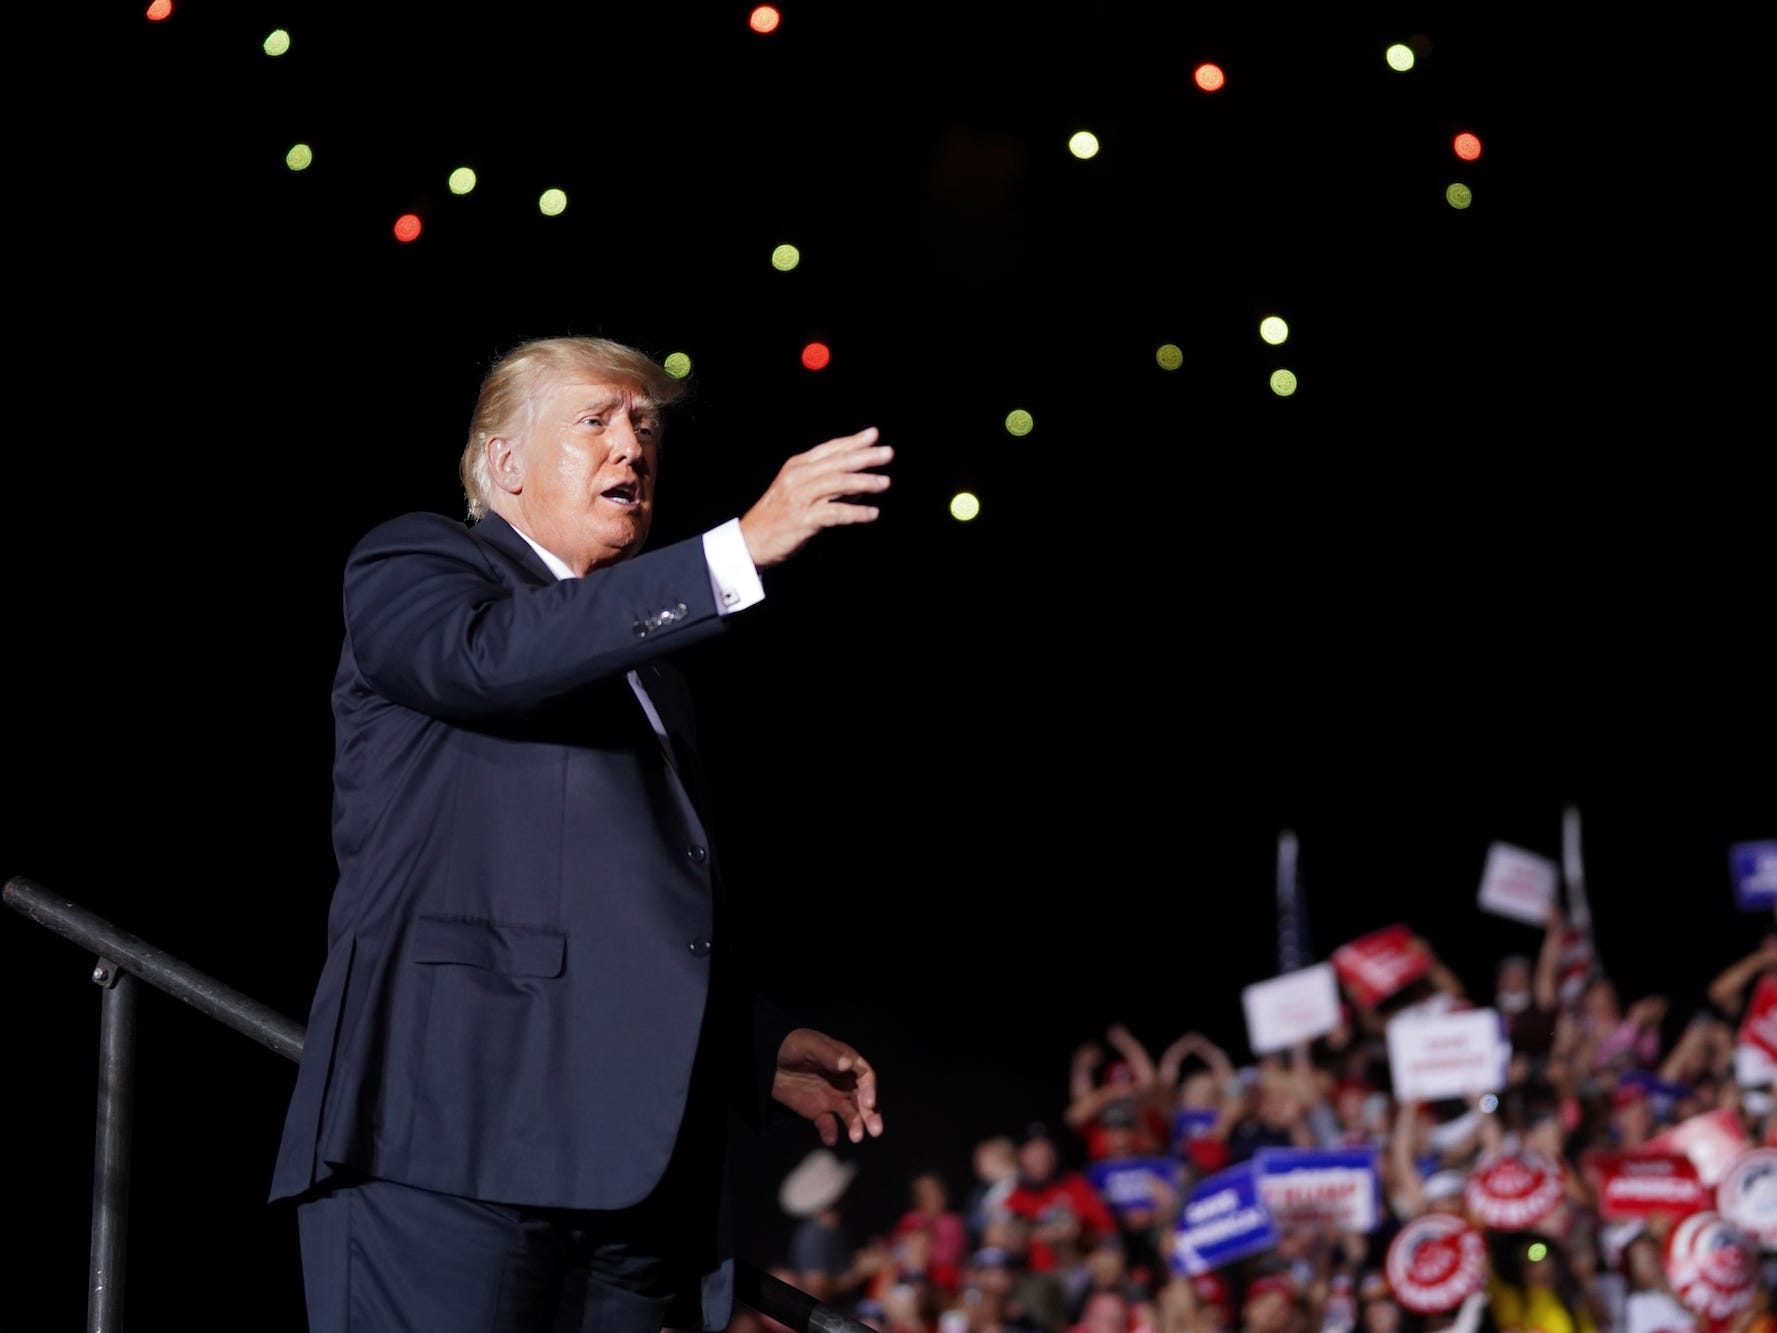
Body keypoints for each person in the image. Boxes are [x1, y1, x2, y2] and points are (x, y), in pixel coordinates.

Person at [267, 333, 893, 1332]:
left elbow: (614, 894)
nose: (632, 447)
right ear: (504, 462)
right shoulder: (419, 562)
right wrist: (733, 552)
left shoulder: (654, 670)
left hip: (625, 1189)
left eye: (644, 426)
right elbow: (484, 660)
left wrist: (749, 1042)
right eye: (595, 420)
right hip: (450, 1140)